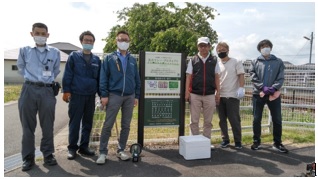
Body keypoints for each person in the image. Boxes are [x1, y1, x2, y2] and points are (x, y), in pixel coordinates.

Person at [17, 22, 60, 171]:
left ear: (48, 35)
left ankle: (48, 154)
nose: (40, 36)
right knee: (28, 127)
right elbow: (21, 68)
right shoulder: (24, 51)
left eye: (43, 34)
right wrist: (33, 79)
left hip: (47, 91)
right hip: (29, 89)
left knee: (48, 124)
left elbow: (55, 70)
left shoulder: (55, 52)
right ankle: (28, 158)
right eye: (37, 33)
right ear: (32, 34)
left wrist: (44, 81)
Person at [96, 30, 141, 164]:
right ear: (116, 41)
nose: (124, 42)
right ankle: (103, 152)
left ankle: (121, 150)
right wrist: (104, 95)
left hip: (130, 96)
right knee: (108, 124)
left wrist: (136, 96)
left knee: (126, 125)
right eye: (121, 40)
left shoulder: (132, 60)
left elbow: (137, 79)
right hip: (114, 95)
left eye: (126, 40)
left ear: (129, 42)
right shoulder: (109, 58)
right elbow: (103, 77)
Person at [62, 31, 101, 160]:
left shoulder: (96, 60)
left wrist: (101, 96)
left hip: (90, 96)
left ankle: (84, 147)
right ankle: (72, 148)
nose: (88, 42)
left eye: (91, 41)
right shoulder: (74, 56)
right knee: (74, 123)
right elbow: (67, 74)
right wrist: (66, 91)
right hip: (77, 95)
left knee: (88, 123)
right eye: (86, 40)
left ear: (93, 43)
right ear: (81, 42)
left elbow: (99, 79)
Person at [250, 39, 288, 153]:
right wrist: (262, 87)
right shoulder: (255, 61)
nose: (265, 48)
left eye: (267, 46)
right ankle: (256, 141)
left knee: (277, 119)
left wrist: (274, 88)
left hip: (274, 94)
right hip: (258, 94)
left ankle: (277, 143)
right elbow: (252, 75)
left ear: (271, 48)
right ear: (259, 49)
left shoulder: (278, 61)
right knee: (257, 119)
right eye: (262, 47)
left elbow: (281, 77)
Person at [185, 37, 220, 148]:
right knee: (194, 121)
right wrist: (187, 92)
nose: (203, 47)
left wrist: (218, 92)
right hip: (195, 94)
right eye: (200, 45)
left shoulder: (214, 60)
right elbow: (189, 77)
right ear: (197, 47)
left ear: (209, 46)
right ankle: (195, 143)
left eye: (205, 45)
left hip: (210, 94)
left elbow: (217, 77)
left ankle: (206, 143)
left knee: (208, 121)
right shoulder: (193, 60)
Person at [216, 42, 245, 149]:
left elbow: (241, 75)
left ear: (228, 50)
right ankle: (225, 139)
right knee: (221, 120)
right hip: (220, 95)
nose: (221, 51)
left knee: (234, 119)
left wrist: (241, 88)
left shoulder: (236, 61)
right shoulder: (217, 63)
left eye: (223, 49)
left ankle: (238, 141)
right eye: (218, 50)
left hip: (232, 95)